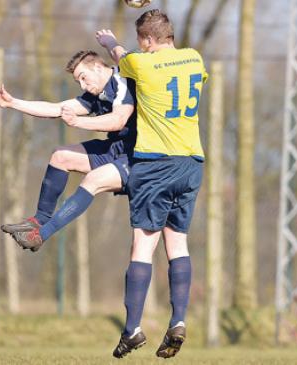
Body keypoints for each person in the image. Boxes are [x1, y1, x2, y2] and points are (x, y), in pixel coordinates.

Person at [96, 9, 207, 359]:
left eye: (142, 43)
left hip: (155, 164)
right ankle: (178, 320)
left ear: (147, 40)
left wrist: (109, 40)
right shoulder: (194, 57)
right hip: (191, 163)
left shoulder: (142, 64)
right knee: (178, 246)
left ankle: (132, 330)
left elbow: (120, 57)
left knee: (142, 249)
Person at [0, 50, 136, 252]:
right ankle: (39, 220)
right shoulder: (96, 94)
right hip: (115, 149)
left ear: (97, 67)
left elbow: (117, 120)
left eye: (83, 78)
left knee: (93, 180)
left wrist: (78, 122)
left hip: (138, 155)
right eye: (79, 82)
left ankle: (40, 236)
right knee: (60, 156)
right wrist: (13, 103)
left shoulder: (123, 81)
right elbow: (56, 108)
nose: (83, 85)